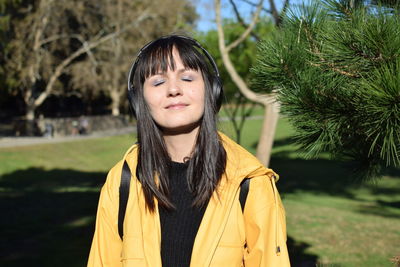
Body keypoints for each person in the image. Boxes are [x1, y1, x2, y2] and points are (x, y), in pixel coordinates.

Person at [87, 35, 290, 267]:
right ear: (138, 100)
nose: (174, 89)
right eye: (158, 82)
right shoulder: (122, 181)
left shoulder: (250, 182)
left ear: (212, 90)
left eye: (187, 77)